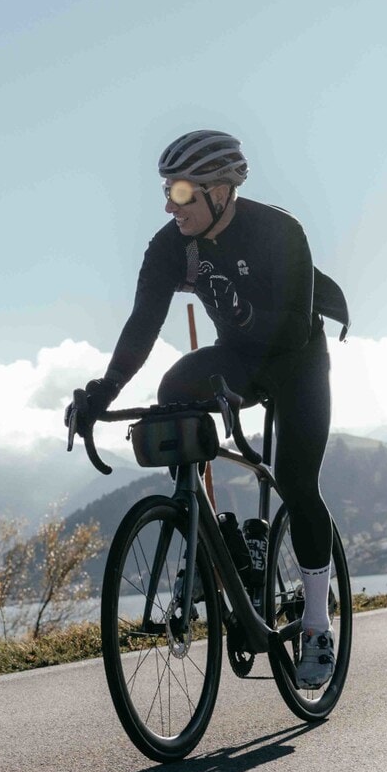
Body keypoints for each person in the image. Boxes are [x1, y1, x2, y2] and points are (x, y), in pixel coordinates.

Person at [66, 130, 341, 687]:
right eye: (166, 191)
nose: (171, 206)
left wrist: (240, 349)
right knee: (173, 391)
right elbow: (142, 324)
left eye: (182, 192)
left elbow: (291, 331)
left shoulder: (279, 231)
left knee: (295, 480)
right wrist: (102, 393)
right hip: (237, 357)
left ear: (220, 190)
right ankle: (214, 542)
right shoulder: (171, 247)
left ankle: (317, 624)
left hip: (298, 360)